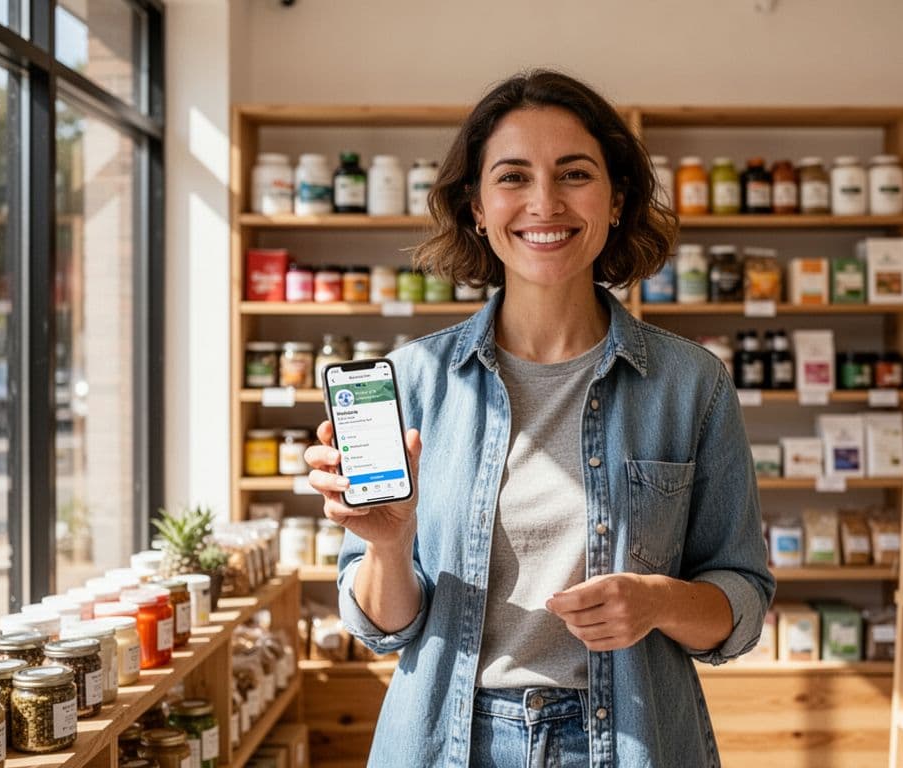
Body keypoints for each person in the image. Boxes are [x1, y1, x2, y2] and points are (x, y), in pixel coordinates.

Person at [305, 69, 774, 768]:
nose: (545, 202)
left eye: (575, 174)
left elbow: (742, 600)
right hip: (449, 742)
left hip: (634, 741)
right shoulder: (415, 380)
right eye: (514, 177)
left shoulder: (690, 385)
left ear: (616, 201)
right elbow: (385, 629)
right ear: (477, 207)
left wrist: (658, 602)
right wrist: (389, 546)